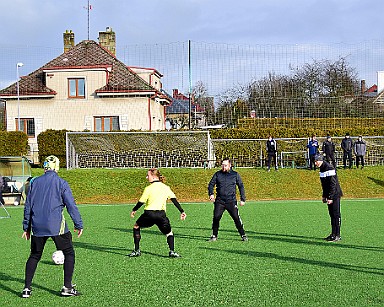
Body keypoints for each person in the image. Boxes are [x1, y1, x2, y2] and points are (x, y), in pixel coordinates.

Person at [21, 155, 83, 298]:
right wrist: (78, 224)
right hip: (56, 226)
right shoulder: (61, 183)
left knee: (34, 255)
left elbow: (28, 206)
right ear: (57, 167)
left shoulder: (34, 182)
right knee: (69, 253)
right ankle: (67, 287)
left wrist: (26, 227)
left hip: (37, 226)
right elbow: (71, 205)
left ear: (44, 166)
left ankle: (26, 289)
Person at [129, 168, 186, 258]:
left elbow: (141, 202)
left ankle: (137, 251)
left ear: (153, 176)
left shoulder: (148, 188)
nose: (146, 177)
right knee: (169, 233)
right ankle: (172, 251)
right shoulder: (166, 187)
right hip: (161, 215)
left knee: (136, 226)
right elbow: (174, 200)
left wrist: (134, 210)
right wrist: (182, 211)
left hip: (149, 214)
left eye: (148, 175)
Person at [207, 158, 247, 242]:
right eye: (222, 165)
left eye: (225, 165)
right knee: (216, 218)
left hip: (231, 201)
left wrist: (242, 199)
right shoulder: (218, 174)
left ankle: (243, 234)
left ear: (230, 165)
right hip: (220, 201)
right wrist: (211, 193)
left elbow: (241, 186)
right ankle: (214, 235)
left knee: (236, 218)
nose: (223, 167)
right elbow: (211, 185)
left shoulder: (235, 174)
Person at [314, 154, 343, 242]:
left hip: (335, 194)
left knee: (336, 215)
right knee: (331, 215)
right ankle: (333, 234)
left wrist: (330, 197)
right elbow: (324, 185)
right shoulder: (322, 169)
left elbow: (333, 184)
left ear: (321, 160)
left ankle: (337, 235)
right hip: (329, 195)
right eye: (314, 161)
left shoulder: (329, 168)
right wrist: (324, 195)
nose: (315, 163)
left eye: (316, 161)